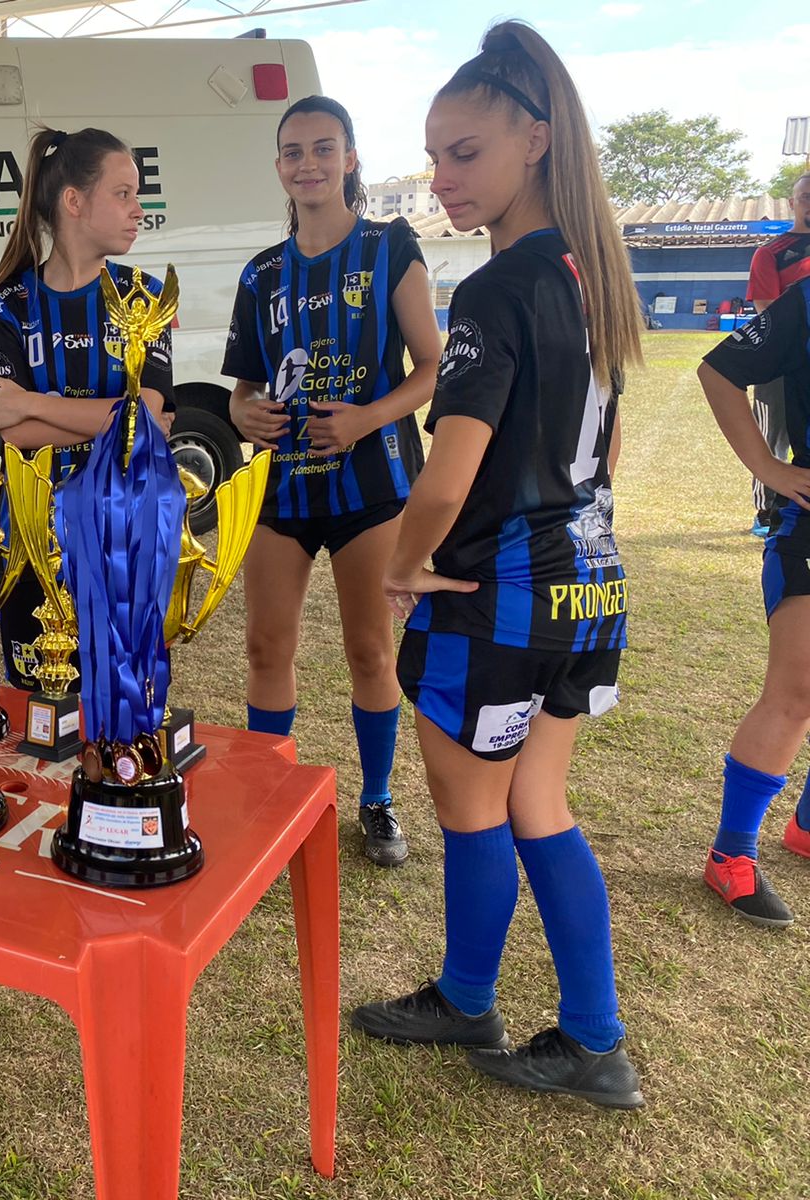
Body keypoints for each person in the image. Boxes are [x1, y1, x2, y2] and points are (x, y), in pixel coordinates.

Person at [351, 21, 646, 1110]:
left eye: (462, 152)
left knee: (475, 807)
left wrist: (401, 570)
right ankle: (587, 1035)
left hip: (498, 595)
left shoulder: (496, 290)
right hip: (587, 584)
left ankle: (477, 999)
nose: (441, 178)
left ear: (534, 137)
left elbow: (447, 474)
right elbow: (604, 455)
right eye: (430, 156)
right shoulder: (594, 273)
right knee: (539, 806)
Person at [223, 95, 441, 869]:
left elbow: (432, 368)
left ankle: (377, 801)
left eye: (323, 148)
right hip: (281, 491)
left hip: (370, 486)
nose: (307, 163)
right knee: (264, 646)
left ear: (350, 157)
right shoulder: (262, 274)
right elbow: (241, 390)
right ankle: (267, 802)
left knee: (369, 652)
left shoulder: (391, 247)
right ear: (279, 166)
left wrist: (364, 417)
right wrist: (243, 413)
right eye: (293, 151)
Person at [0, 126, 174, 689]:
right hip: (32, 541)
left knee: (124, 712)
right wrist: (118, 419)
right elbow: (10, 433)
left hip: (126, 535)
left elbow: (150, 420)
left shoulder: (146, 296)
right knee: (41, 721)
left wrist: (36, 404)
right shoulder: (8, 304)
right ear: (74, 202)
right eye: (124, 193)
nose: (139, 209)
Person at [695, 277, 810, 926]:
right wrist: (769, 467)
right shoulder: (807, 301)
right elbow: (721, 371)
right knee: (797, 693)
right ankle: (731, 854)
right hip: (808, 529)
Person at [743, 173, 810, 537]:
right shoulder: (771, 253)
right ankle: (766, 511)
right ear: (792, 203)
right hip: (781, 370)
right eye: (806, 197)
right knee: (772, 441)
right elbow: (766, 310)